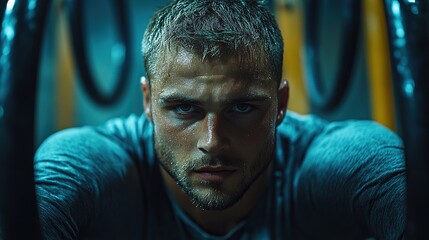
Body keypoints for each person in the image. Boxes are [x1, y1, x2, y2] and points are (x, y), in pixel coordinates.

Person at [34, 0, 406, 239]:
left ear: (281, 104)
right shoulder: (95, 167)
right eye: (184, 109)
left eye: (242, 108)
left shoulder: (331, 164)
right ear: (147, 102)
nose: (212, 141)